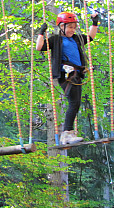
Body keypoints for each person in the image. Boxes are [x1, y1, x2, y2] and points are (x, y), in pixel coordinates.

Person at [36, 11, 99, 144]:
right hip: (66, 74)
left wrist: (94, 23)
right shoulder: (56, 40)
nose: (72, 29)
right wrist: (41, 33)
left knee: (75, 103)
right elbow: (39, 47)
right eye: (70, 27)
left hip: (76, 74)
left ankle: (68, 133)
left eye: (74, 27)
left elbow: (91, 36)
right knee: (74, 103)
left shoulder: (76, 39)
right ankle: (67, 134)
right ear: (61, 27)